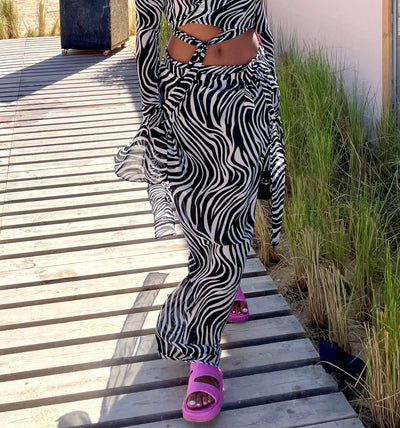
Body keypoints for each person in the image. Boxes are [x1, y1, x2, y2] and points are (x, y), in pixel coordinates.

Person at [115, 0, 286, 422]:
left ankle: (203, 352)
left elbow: (261, 19)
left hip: (245, 93)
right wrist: (152, 110)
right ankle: (223, 287)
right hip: (185, 93)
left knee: (233, 211)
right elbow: (148, 27)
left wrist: (270, 85)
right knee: (197, 214)